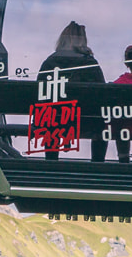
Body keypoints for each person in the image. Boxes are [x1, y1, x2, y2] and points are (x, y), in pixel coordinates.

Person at [36, 21, 107, 162]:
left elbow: (40, 94)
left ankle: (51, 160)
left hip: (54, 121)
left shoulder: (49, 62)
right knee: (102, 124)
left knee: (50, 115)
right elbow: (101, 94)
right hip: (85, 121)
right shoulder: (89, 63)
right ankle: (98, 163)